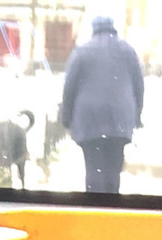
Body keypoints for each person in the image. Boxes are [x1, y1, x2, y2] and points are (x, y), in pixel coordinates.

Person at [59, 14, 143, 195]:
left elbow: (69, 88)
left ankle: (94, 204)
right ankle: (112, 203)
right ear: (113, 27)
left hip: (89, 120)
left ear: (94, 29)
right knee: (114, 170)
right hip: (120, 121)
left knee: (93, 169)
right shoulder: (128, 51)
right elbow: (139, 86)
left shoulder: (82, 52)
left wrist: (66, 119)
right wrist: (137, 117)